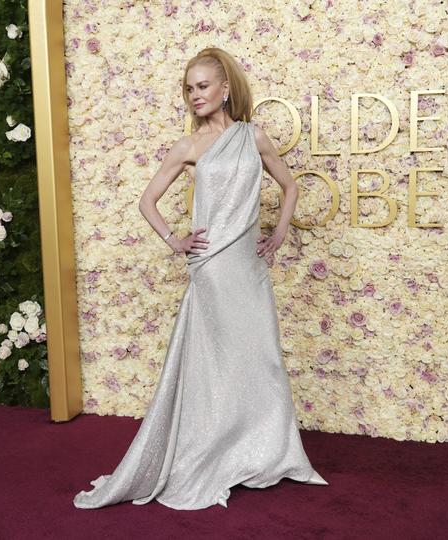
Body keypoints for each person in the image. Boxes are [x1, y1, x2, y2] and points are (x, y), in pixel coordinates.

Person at [73, 47, 328, 511]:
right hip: (211, 268)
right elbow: (147, 200)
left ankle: (264, 452)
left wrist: (280, 230)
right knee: (215, 364)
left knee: (261, 359)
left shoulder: (254, 137)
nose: (195, 95)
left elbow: (290, 186)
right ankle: (211, 451)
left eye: (203, 86)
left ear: (225, 88)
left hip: (248, 269)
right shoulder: (188, 147)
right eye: (188, 88)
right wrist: (175, 239)